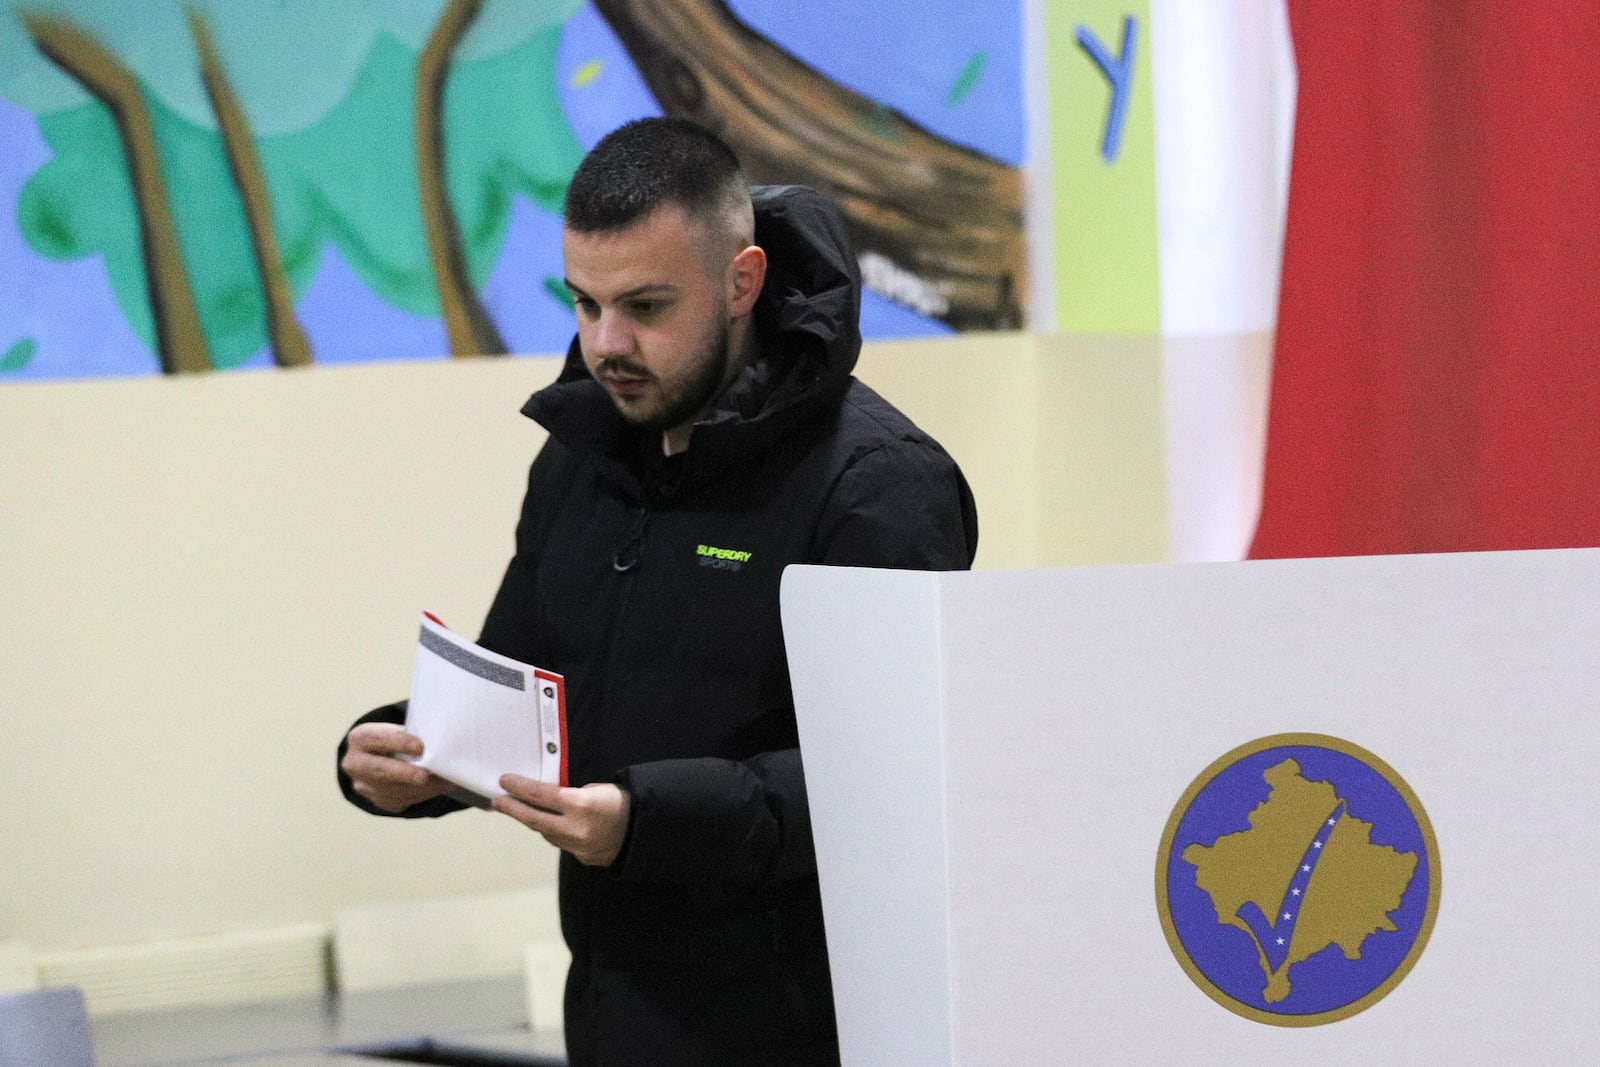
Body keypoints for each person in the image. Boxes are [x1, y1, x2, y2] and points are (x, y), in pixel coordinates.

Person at [336, 117, 978, 1066]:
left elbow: (900, 784)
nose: (606, 344)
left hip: (815, 1030)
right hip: (613, 1014)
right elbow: (527, 688)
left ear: (741, 283)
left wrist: (647, 820)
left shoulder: (879, 485)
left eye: (644, 306)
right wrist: (413, 753)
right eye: (585, 305)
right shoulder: (580, 459)